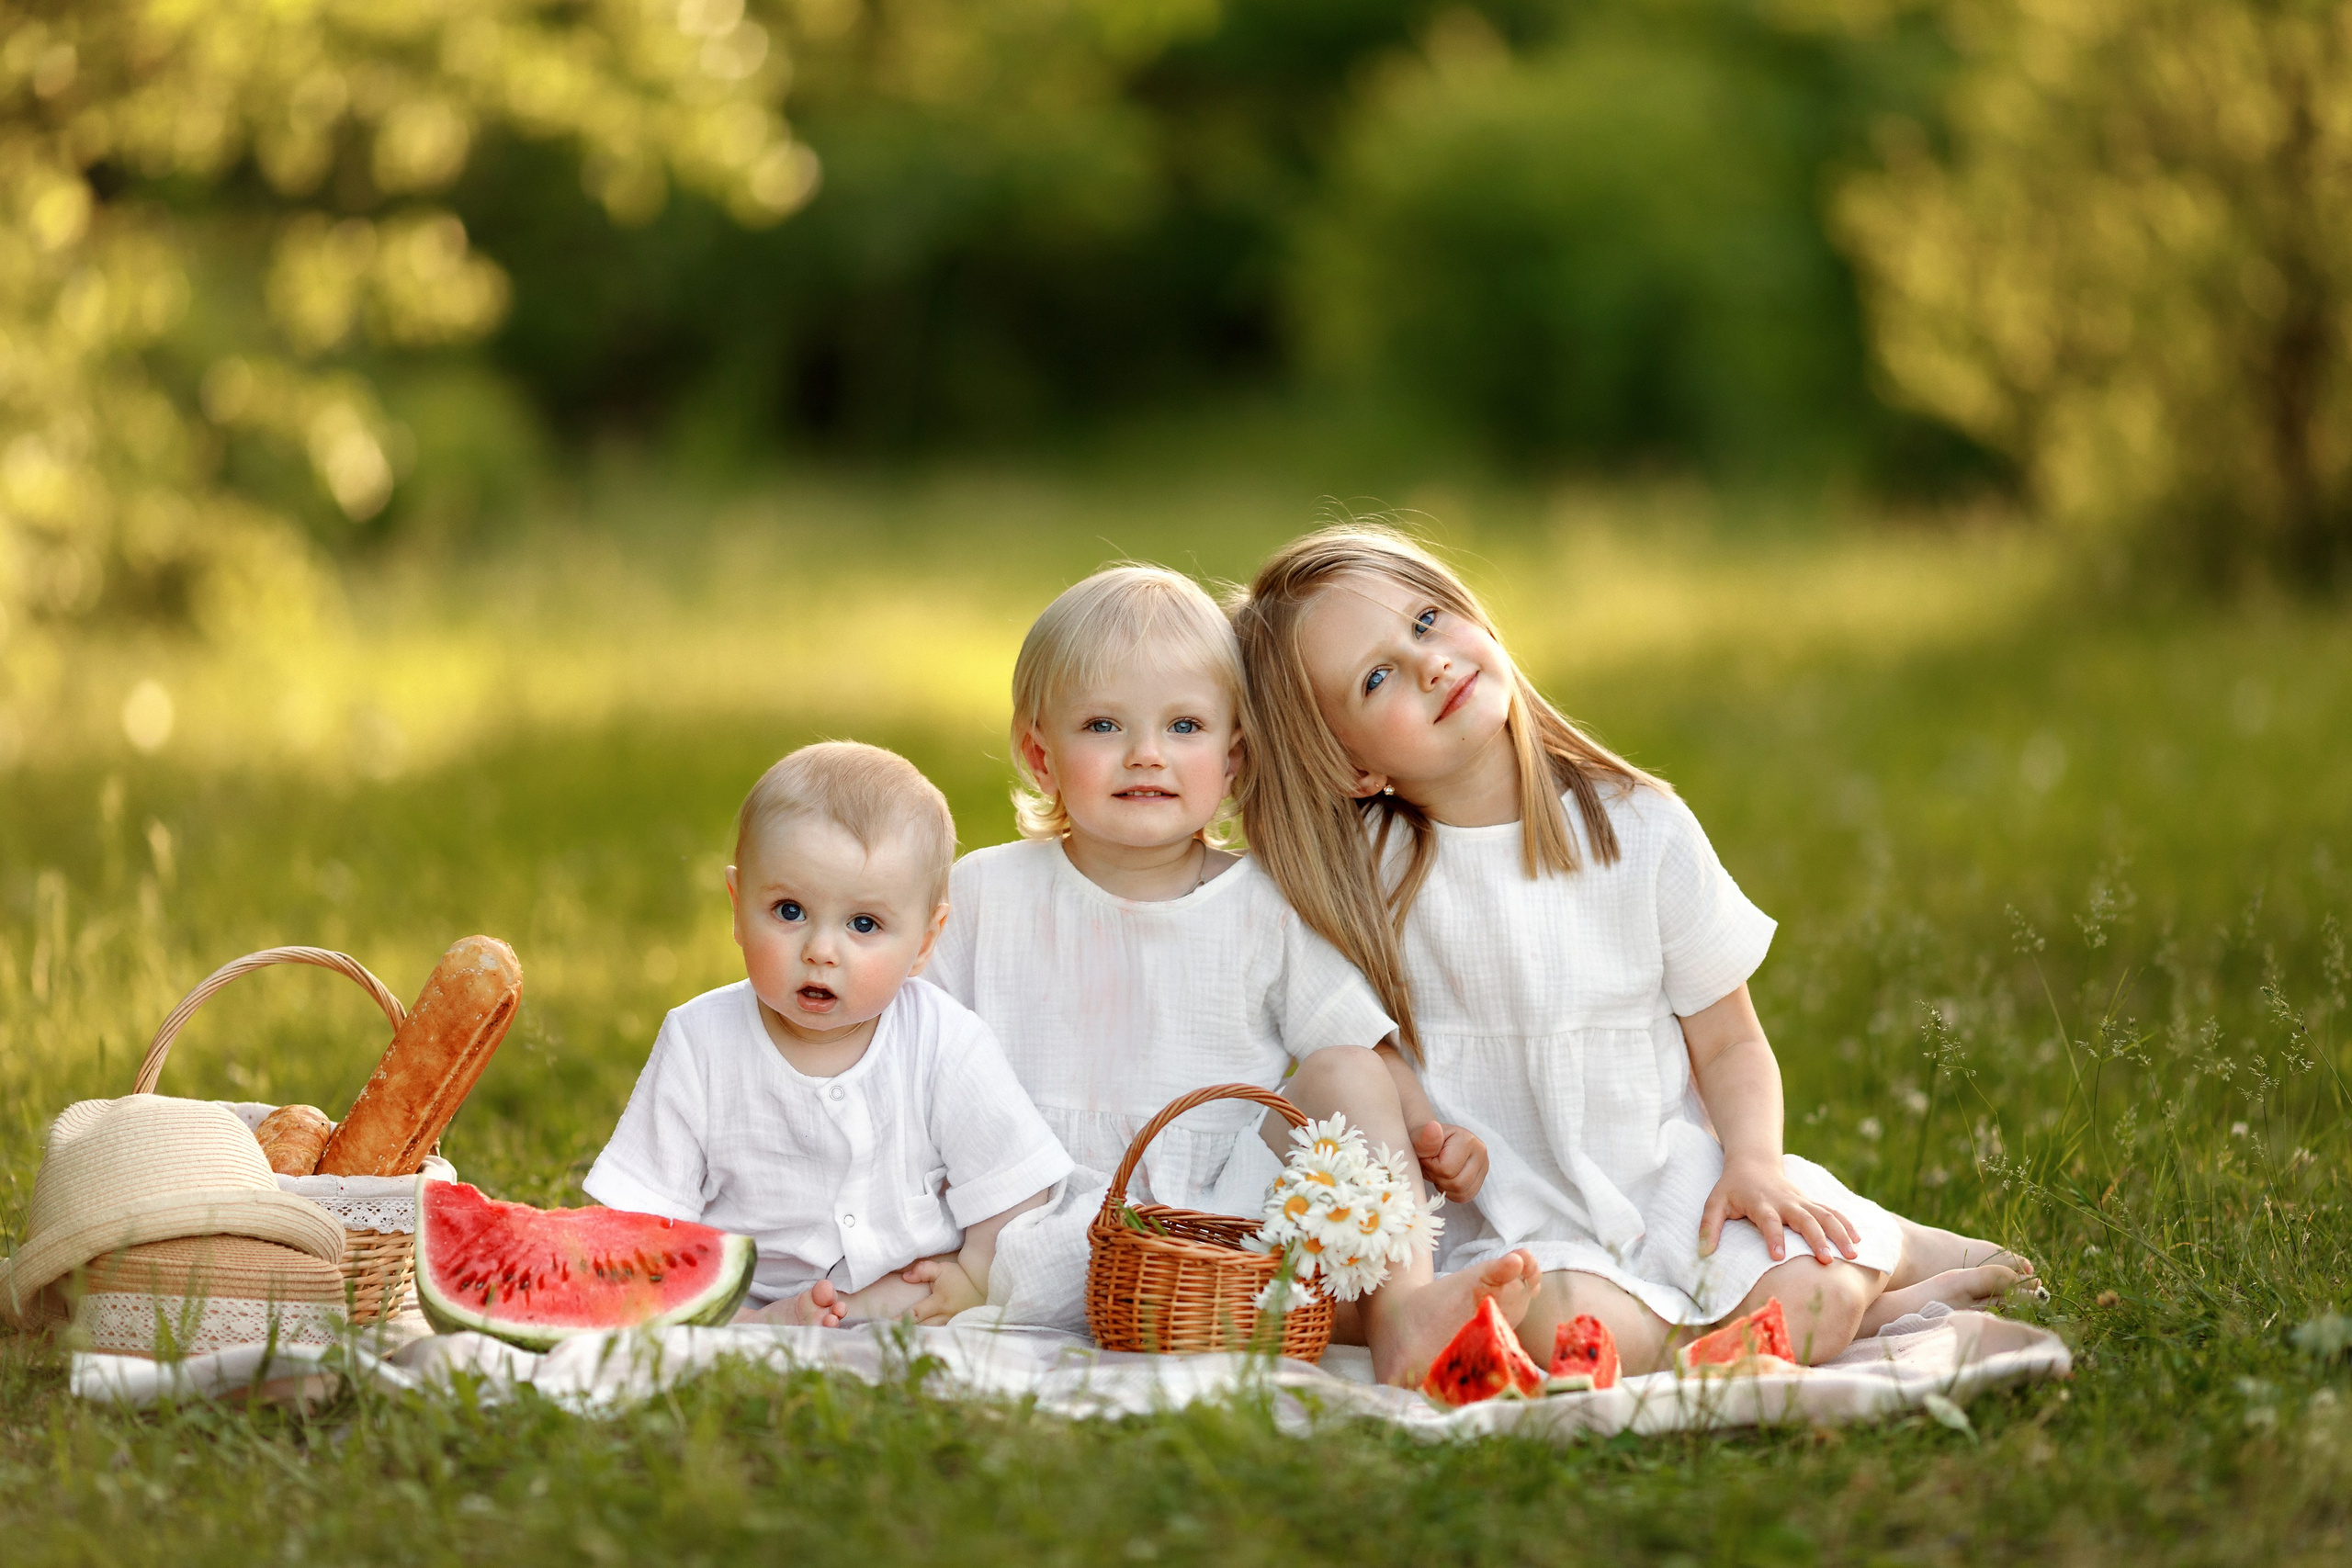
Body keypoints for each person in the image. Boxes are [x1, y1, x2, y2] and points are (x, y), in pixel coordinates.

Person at [1227, 525, 2034, 1372]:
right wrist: (1429, 1130)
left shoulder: (1638, 827)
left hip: (1671, 1192)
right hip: (1520, 1218)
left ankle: (1871, 1264)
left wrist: (1754, 1162)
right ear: (1352, 766)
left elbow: (1728, 1040)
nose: (1427, 661)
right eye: (1377, 676)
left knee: (1814, 1277)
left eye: (1427, 621)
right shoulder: (1364, 880)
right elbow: (1367, 1055)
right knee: (1558, 1320)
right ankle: (1832, 1321)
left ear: (1476, 621)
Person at [929, 565, 1541, 1381]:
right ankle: (1332, 1317)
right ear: (1041, 754)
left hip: (1227, 1223)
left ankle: (1398, 1313)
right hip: (1035, 1217)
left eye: (1184, 726)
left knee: (1347, 1069)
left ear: (1233, 756)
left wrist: (1431, 1130)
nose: (1146, 754)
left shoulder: (1263, 903)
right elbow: (913, 1051)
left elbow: (1357, 1039)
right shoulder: (984, 892)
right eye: (1104, 725)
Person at [584, 741, 1071, 1326]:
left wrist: (972, 1276)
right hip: (745, 1292)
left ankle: (861, 1313)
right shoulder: (699, 1040)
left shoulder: (945, 1041)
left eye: (863, 924)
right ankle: (765, 1328)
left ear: (924, 940)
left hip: (908, 1287)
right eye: (789, 911)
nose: (819, 951)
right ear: (738, 908)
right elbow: (642, 1211)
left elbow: (1012, 1181)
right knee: (664, 1309)